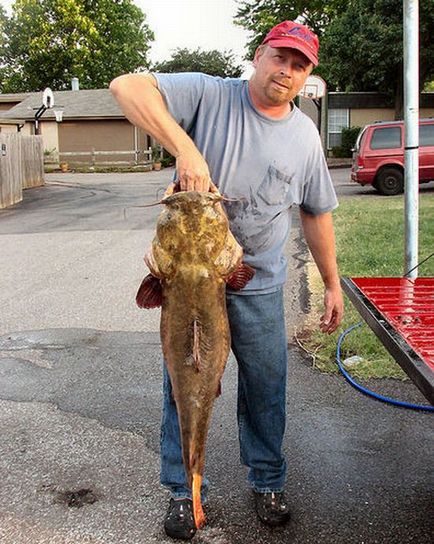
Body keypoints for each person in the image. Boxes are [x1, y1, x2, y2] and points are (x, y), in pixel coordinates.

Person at [110, 20, 344, 540]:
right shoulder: (210, 95)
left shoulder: (305, 136)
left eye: (299, 65)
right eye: (280, 56)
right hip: (187, 286)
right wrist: (186, 150)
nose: (286, 70)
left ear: (307, 76)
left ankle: (267, 482)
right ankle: (183, 490)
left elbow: (316, 212)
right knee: (184, 385)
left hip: (257, 281)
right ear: (260, 55)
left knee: (266, 388)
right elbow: (126, 87)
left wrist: (331, 283)